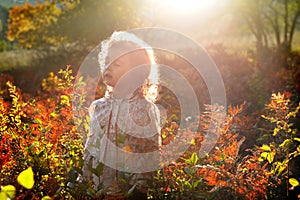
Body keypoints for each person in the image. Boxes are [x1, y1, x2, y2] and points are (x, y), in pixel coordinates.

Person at [82, 31, 161, 199]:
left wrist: (138, 191)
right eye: (106, 61)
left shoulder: (143, 108)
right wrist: (84, 182)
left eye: (117, 64)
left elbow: (149, 156)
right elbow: (90, 148)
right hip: (99, 191)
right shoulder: (98, 107)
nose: (108, 67)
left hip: (129, 193)